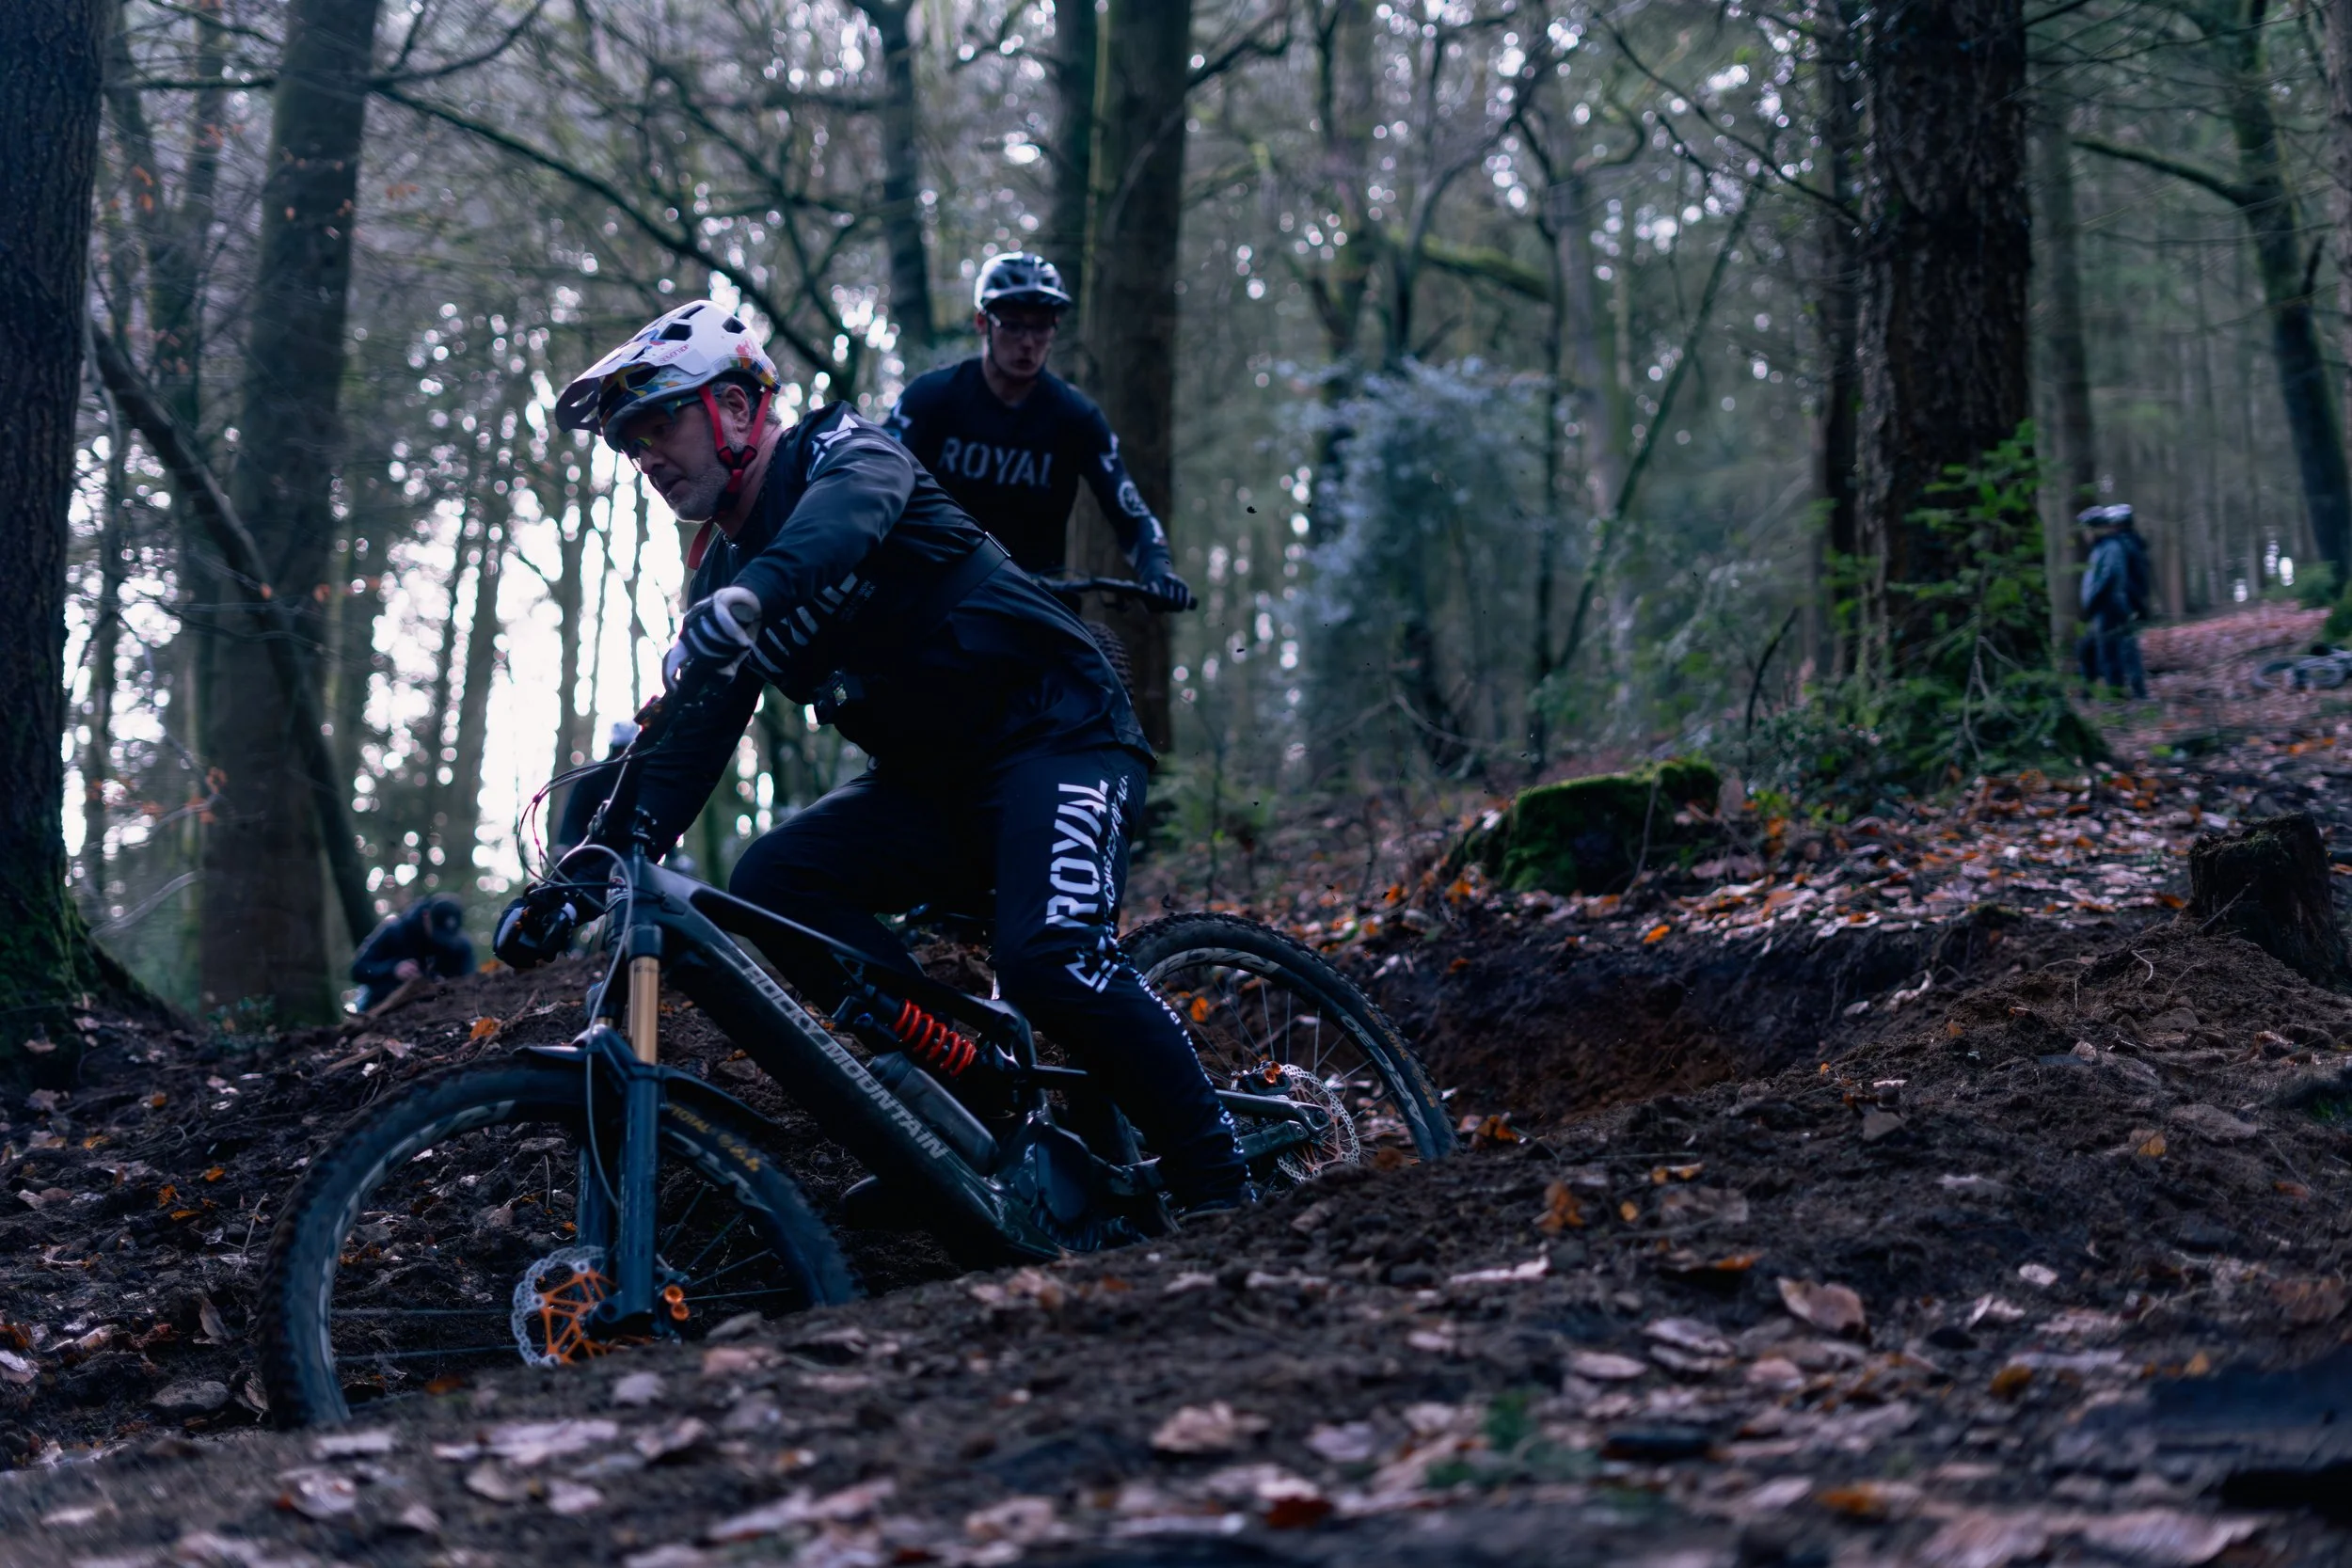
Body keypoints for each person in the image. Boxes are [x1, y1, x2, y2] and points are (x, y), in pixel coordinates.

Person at [512, 300, 1246, 1212]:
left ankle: (1222, 1183)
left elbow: (852, 518)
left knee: (1048, 959)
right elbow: (686, 749)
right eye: (630, 444)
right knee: (776, 881)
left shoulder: (842, 450)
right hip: (932, 788)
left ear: (738, 408)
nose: (646, 457)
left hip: (1060, 735)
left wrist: (757, 597)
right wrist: (579, 878)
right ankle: (970, 1097)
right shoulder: (719, 577)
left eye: (659, 422)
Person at [883, 253, 1195, 607]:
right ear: (983, 324)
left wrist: (1159, 570)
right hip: (935, 589)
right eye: (1013, 325)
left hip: (1035, 602)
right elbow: (877, 476)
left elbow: (1130, 511)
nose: (1028, 342)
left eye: (1042, 325)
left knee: (1093, 662)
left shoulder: (1076, 417)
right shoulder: (931, 398)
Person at [2077, 503, 2151, 699]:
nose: (2085, 535)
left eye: (2087, 530)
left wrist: (2093, 601)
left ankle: (2121, 695)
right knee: (2099, 650)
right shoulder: (2105, 547)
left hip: (2111, 606)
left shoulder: (2111, 547)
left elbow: (2109, 577)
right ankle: (2096, 693)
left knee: (2112, 652)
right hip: (2111, 606)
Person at [352, 895, 474, 1012]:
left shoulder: (460, 946)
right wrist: (393, 969)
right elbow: (359, 970)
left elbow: (468, 980)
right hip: (387, 1005)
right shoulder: (395, 931)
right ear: (426, 916)